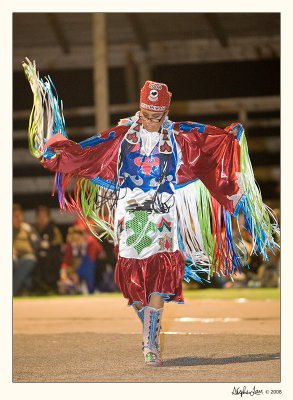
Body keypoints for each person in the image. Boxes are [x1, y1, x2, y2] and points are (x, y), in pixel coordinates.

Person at [23, 59, 279, 366]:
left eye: (157, 115)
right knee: (130, 282)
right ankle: (149, 329)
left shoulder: (180, 137)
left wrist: (231, 138)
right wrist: (57, 153)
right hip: (130, 215)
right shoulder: (120, 137)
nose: (152, 120)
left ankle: (150, 342)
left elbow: (210, 145)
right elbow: (86, 154)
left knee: (159, 275)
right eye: (146, 114)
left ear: (166, 112)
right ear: (139, 109)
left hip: (163, 214)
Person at [58, 225, 106, 295]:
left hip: (98, 266)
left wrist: (76, 274)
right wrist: (63, 271)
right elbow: (66, 260)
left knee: (87, 263)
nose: (75, 242)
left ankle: (91, 288)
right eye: (73, 239)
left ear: (83, 236)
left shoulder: (91, 242)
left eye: (77, 239)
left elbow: (91, 260)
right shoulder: (71, 244)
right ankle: (74, 286)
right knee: (66, 274)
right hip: (79, 267)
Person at [33, 205, 64, 293]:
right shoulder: (32, 230)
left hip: (52, 257)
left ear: (49, 217)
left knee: (52, 260)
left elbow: (58, 246)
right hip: (37, 257)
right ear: (36, 217)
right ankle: (37, 288)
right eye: (40, 216)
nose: (42, 218)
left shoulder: (54, 230)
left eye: (44, 216)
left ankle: (51, 287)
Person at [13, 203, 39, 295]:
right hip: (13, 255)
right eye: (15, 216)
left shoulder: (27, 228)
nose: (19, 218)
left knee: (30, 259)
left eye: (20, 215)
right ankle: (23, 289)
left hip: (27, 256)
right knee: (13, 260)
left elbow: (36, 243)